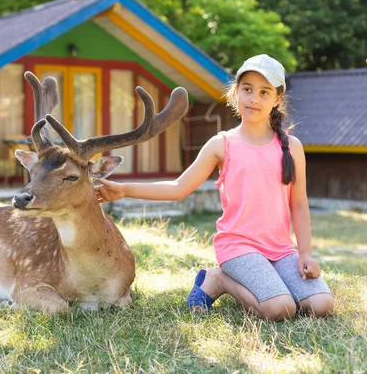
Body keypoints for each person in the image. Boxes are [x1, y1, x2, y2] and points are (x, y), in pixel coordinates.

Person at [95, 54, 334, 320]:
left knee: (322, 305)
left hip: (280, 250)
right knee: (281, 309)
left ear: (277, 99)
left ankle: (272, 277)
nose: (254, 98)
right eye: (247, 90)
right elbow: (178, 187)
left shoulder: (292, 147)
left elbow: (298, 204)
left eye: (264, 92)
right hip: (238, 248)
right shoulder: (222, 145)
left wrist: (305, 254)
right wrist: (125, 190)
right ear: (236, 92)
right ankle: (219, 279)